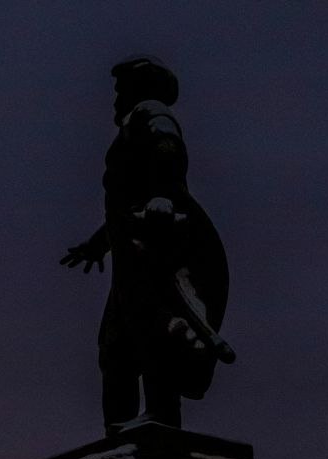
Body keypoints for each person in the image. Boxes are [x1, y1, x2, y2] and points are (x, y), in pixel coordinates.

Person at [61, 55, 231, 436]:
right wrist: (98, 244)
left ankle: (161, 415)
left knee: (154, 331)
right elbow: (125, 209)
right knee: (116, 344)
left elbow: (168, 149)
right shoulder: (130, 127)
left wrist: (163, 197)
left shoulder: (150, 112)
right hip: (132, 253)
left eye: (121, 90)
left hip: (156, 250)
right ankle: (120, 430)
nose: (115, 99)